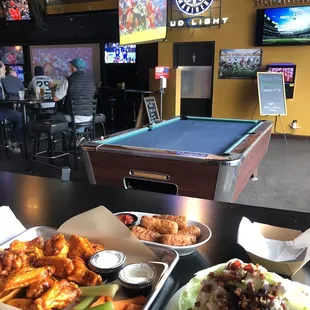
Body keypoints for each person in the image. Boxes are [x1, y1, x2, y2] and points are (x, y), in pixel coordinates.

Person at [51, 58, 96, 146]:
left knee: (53, 119)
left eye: (70, 66)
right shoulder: (91, 81)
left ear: (74, 68)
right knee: (77, 124)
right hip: (89, 116)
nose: (69, 68)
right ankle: (79, 136)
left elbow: (55, 98)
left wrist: (52, 88)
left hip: (73, 116)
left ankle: (75, 137)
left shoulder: (69, 80)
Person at [0, 62, 22, 153]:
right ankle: (12, 141)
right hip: (2, 111)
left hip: (4, 108)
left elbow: (4, 97)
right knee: (23, 118)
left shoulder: (1, 82)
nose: (5, 71)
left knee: (21, 115)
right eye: (4, 69)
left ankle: (11, 139)